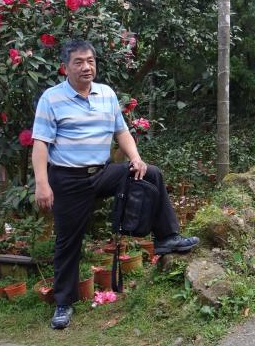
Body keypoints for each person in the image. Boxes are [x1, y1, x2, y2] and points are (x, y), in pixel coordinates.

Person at [32, 39, 198, 330]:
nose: (86, 67)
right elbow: (40, 145)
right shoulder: (51, 99)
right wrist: (42, 184)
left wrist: (135, 158)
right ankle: (63, 303)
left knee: (150, 174)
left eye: (90, 61)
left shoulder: (106, 94)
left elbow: (121, 132)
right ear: (66, 67)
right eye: (79, 62)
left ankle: (166, 238)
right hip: (68, 179)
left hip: (102, 172)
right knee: (68, 241)